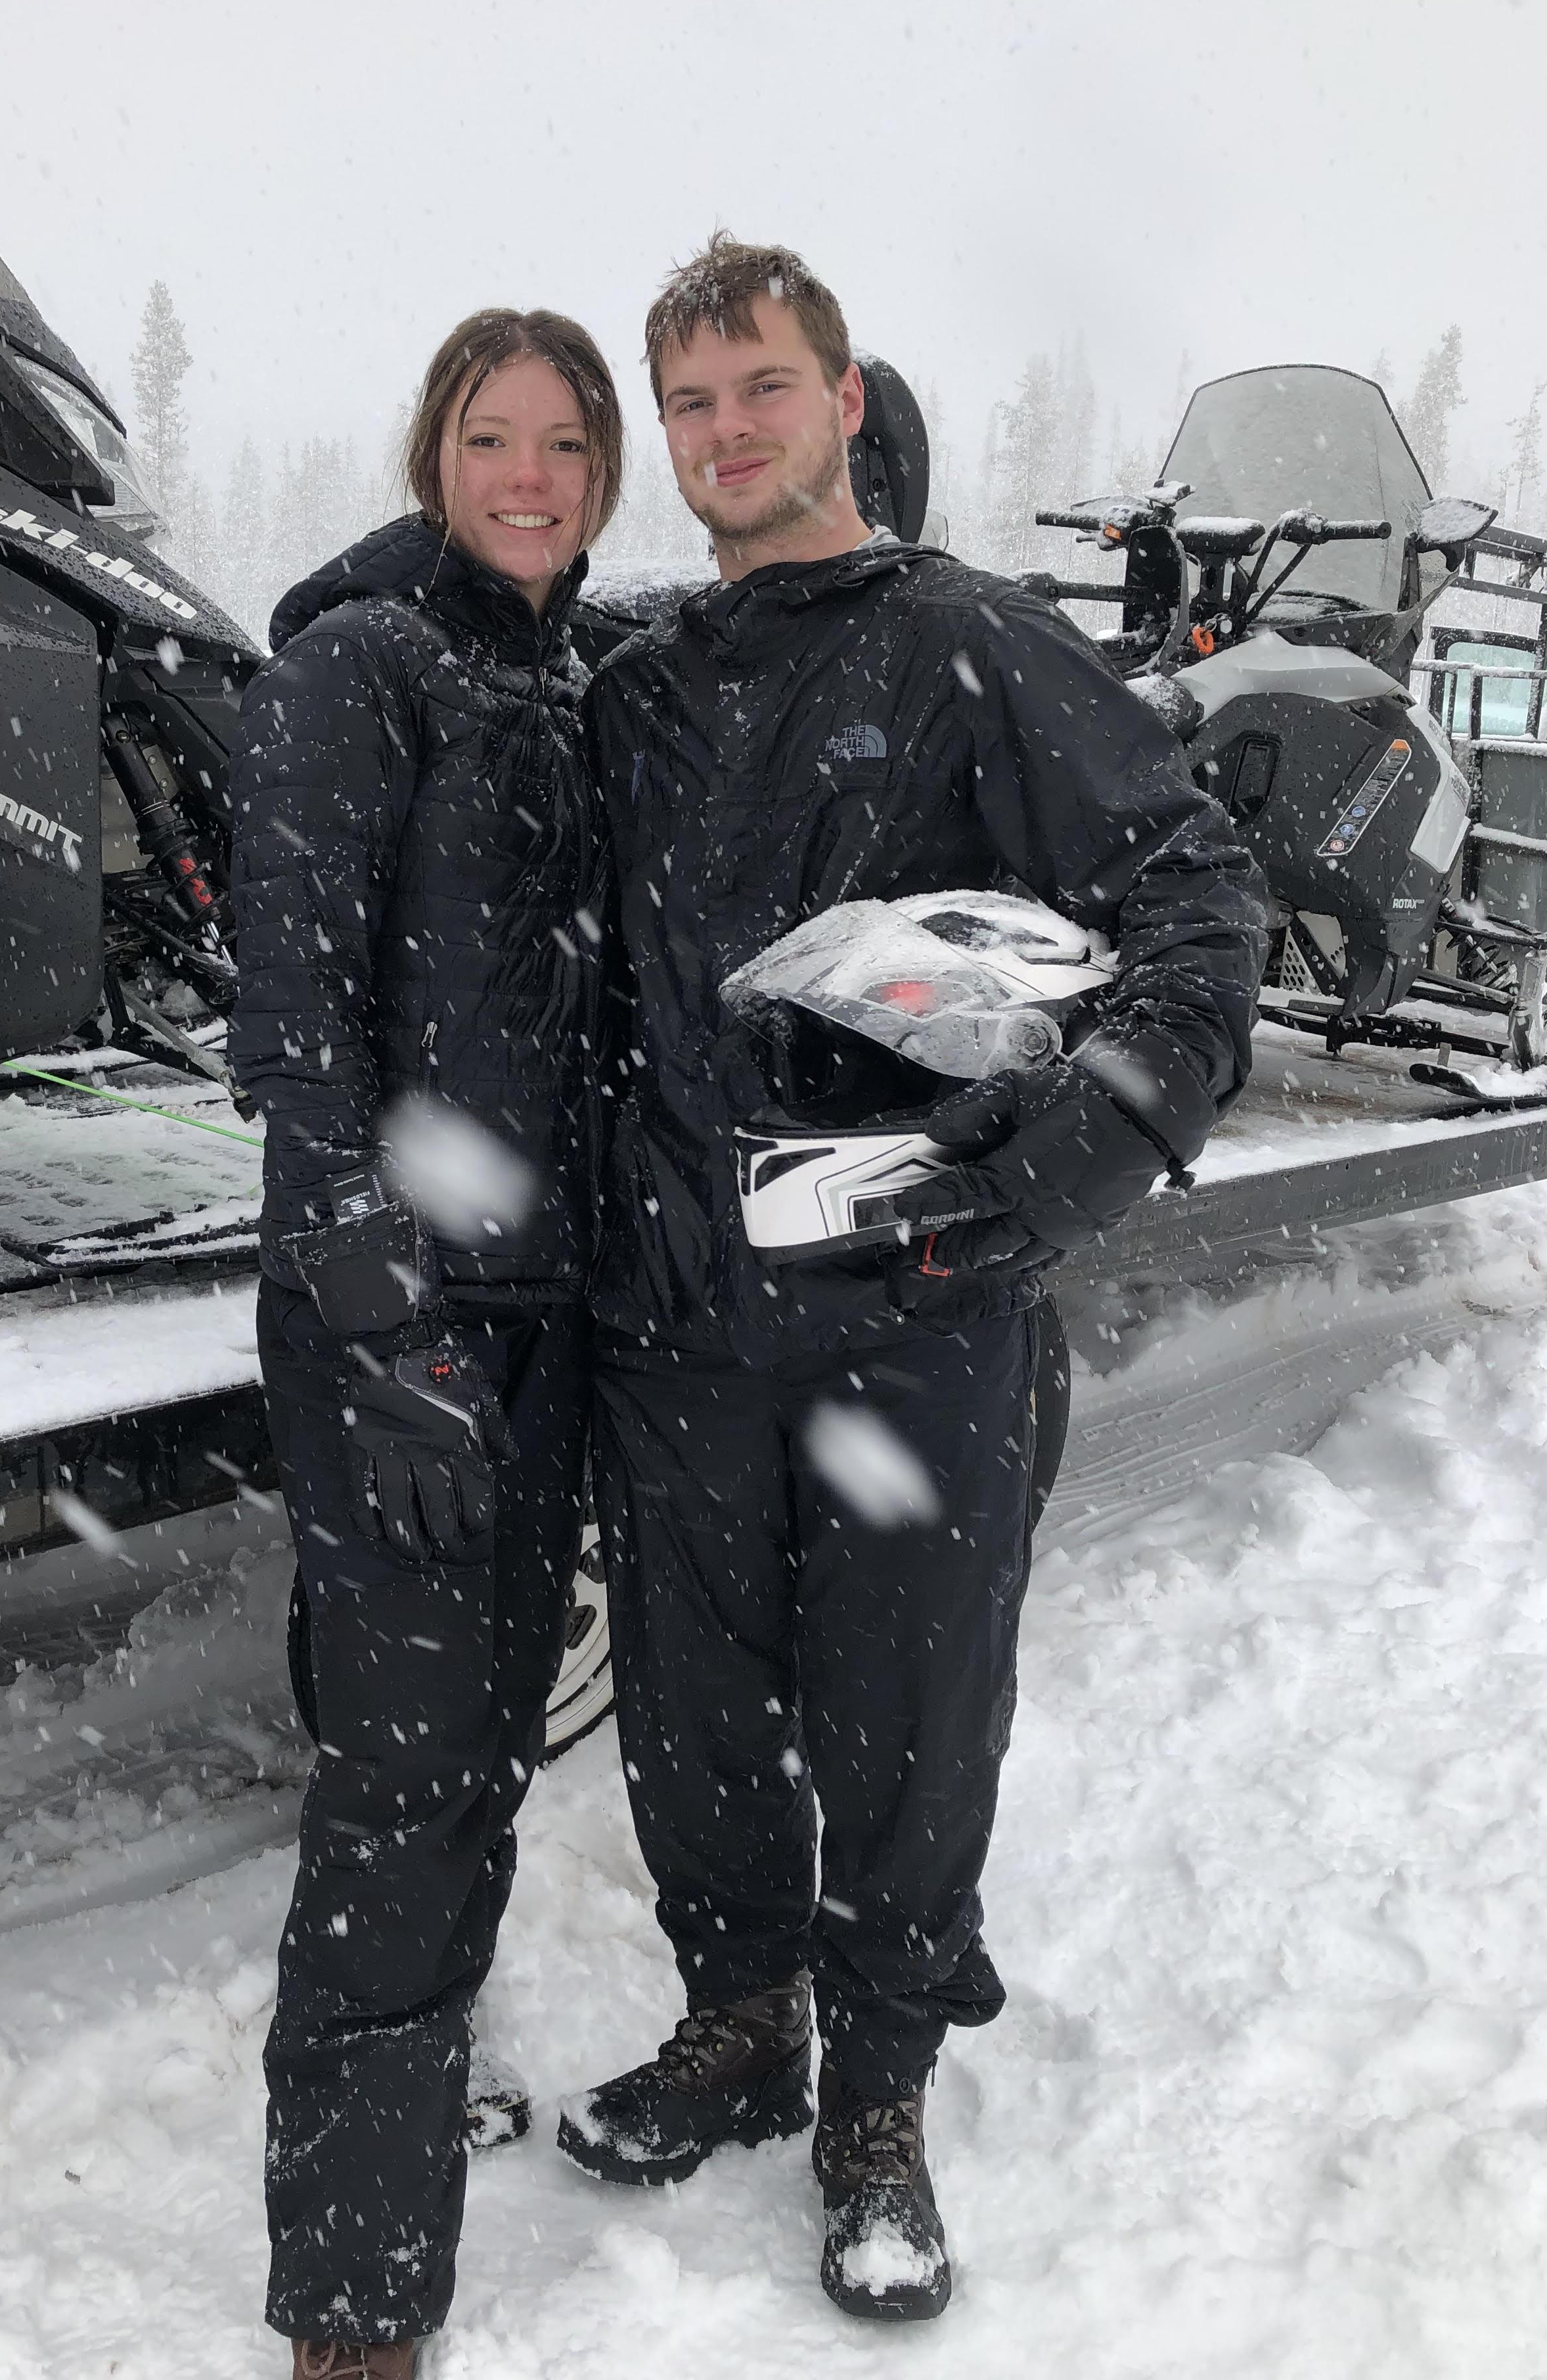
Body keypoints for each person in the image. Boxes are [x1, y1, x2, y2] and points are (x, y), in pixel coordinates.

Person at [555, 235, 1270, 2320]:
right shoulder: (637, 689)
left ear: (845, 401)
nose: (728, 433)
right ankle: (737, 2025)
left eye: (763, 388)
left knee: (906, 1718)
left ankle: (877, 2098)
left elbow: (1199, 907)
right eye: (691, 404)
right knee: (689, 1715)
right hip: (680, 1312)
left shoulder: (972, 645)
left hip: (917, 1300)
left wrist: (1068, 1163)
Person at [231, 310, 623, 2379]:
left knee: (480, 1758)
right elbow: (296, 1039)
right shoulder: (357, 670)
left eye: (565, 442)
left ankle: (410, 2099)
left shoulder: (584, 682)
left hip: (547, 1321)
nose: (528, 476)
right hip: (392, 1320)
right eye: (493, 438)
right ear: (434, 455)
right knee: (400, 1779)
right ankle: (354, 2302)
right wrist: (382, 1317)